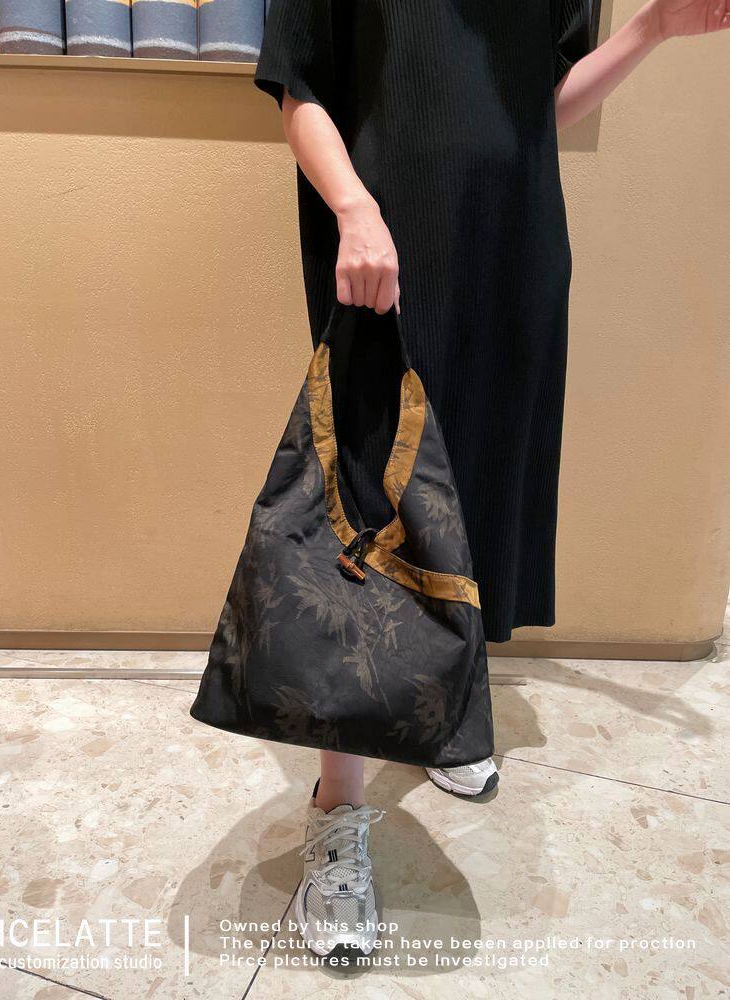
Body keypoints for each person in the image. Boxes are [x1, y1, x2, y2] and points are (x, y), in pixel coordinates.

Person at [252, 0, 728, 957]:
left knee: (476, 494)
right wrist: (353, 209)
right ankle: (336, 813)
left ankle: (441, 713)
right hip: (384, 254)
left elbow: (537, 105)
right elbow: (298, 86)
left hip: (513, 250)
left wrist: (649, 32)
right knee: (368, 519)